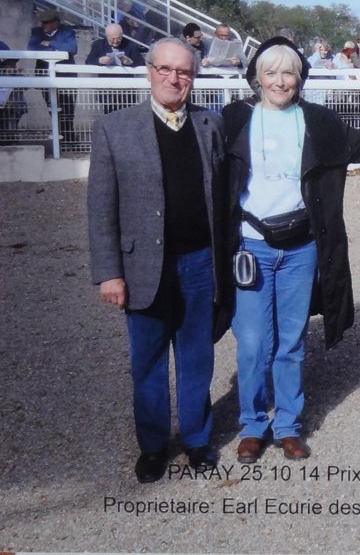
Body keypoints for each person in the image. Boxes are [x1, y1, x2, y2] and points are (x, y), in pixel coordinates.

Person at [221, 36, 360, 464]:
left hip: (301, 248)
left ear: (300, 78)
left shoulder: (319, 121)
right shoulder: (233, 120)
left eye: (289, 73)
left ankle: (287, 425)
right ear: (257, 77)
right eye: (271, 73)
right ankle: (253, 424)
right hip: (251, 247)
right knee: (253, 342)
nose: (280, 81)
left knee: (291, 341)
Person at [87, 38, 226, 483]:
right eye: (165, 69)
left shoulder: (210, 124)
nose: (174, 78)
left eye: (183, 71)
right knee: (147, 362)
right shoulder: (114, 128)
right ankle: (153, 446)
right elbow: (101, 208)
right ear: (149, 72)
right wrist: (109, 272)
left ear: (193, 78)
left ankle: (197, 439)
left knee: (196, 357)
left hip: (199, 262)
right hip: (142, 268)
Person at [28, 9, 78, 143]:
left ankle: (69, 140)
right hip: (46, 77)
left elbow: (72, 49)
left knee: (68, 110)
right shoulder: (37, 32)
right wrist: (55, 49)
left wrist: (50, 43)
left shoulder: (67, 31)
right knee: (53, 110)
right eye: (43, 23)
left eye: (48, 23)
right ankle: (59, 141)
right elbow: (32, 48)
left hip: (66, 77)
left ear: (55, 23)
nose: (45, 26)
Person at [85, 23, 146, 113]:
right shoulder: (98, 45)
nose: (116, 41)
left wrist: (130, 62)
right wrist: (100, 61)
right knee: (109, 115)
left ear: (122, 35)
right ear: (107, 36)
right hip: (107, 90)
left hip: (126, 91)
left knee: (127, 115)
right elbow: (88, 61)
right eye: (112, 39)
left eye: (119, 38)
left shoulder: (131, 45)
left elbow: (141, 64)